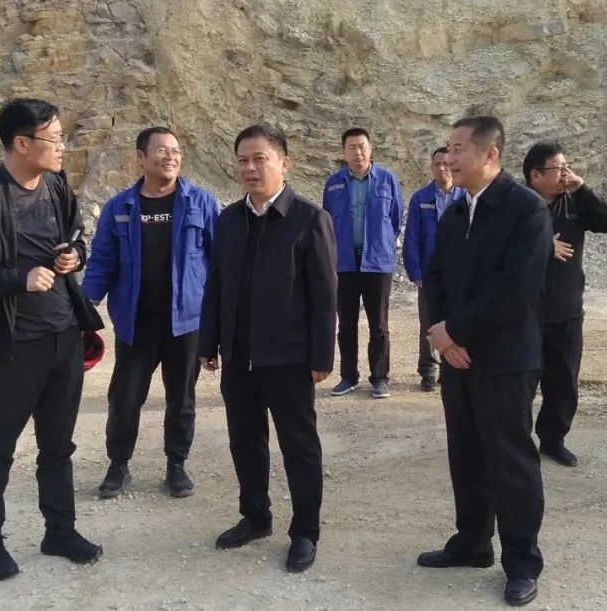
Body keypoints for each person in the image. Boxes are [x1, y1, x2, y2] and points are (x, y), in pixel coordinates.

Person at [0, 98, 105, 581]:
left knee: (58, 444)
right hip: (14, 343)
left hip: (63, 335)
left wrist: (74, 255)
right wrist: (19, 279)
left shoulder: (56, 186)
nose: (62, 147)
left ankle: (60, 531)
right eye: (54, 139)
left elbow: (76, 235)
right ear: (21, 143)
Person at [417, 116, 553, 607]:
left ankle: (522, 562)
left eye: (458, 149)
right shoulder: (456, 212)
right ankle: (473, 543)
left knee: (511, 462)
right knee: (467, 454)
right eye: (448, 149)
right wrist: (442, 333)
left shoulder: (525, 210)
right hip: (459, 358)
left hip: (505, 360)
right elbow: (435, 277)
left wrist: (454, 331)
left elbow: (514, 291)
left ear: (489, 155)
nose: (448, 158)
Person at [198, 124, 337, 573]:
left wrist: (321, 355)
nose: (250, 168)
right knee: (245, 440)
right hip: (239, 356)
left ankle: (305, 531)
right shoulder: (229, 219)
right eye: (243, 160)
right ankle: (255, 516)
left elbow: (324, 296)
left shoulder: (309, 219)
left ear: (284, 163)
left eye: (260, 158)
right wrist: (209, 341)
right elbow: (216, 283)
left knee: (299, 445)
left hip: (289, 358)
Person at [82, 126, 219, 499]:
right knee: (125, 398)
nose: (170, 156)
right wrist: (83, 308)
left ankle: (177, 465)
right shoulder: (120, 208)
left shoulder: (201, 203)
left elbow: (219, 264)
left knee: (182, 398)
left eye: (176, 150)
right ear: (141, 157)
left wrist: (219, 322)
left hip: (185, 323)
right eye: (161, 150)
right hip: (135, 323)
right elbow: (102, 262)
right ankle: (118, 465)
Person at [523, 141, 607, 467]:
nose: (566, 173)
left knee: (564, 384)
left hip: (566, 311)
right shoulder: (516, 204)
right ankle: (517, 442)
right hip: (525, 314)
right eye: (559, 168)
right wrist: (542, 245)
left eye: (567, 166)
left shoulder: (574, 202)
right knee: (521, 384)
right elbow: (496, 245)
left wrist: (582, 188)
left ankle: (553, 440)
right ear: (535, 175)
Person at [322, 128, 403, 399]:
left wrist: (381, 244)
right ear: (343, 152)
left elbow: (394, 219)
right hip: (344, 261)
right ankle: (349, 377)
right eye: (352, 147)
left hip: (377, 262)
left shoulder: (387, 180)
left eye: (362, 146)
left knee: (379, 324)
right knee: (346, 324)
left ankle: (379, 378)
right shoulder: (333, 183)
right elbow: (327, 221)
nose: (358, 152)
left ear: (370, 149)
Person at [403, 146, 465, 392]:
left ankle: (452, 366)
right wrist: (415, 271)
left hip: (459, 272)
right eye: (437, 164)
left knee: (457, 319)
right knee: (428, 322)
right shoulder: (421, 198)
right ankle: (429, 368)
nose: (442, 168)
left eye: (446, 163)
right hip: (429, 273)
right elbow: (411, 238)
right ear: (431, 168)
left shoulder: (464, 196)